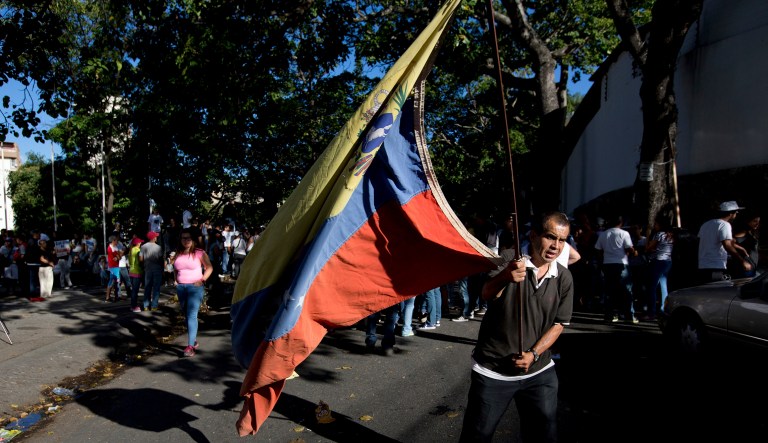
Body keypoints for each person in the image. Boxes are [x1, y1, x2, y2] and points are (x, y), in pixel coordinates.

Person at [459, 212, 573, 443]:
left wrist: (534, 354)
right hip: (493, 371)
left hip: (539, 372)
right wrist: (505, 277)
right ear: (533, 236)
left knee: (543, 436)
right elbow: (486, 293)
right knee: (477, 436)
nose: (556, 246)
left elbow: (559, 323)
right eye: (550, 237)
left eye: (562, 240)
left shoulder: (563, 277)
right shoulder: (509, 258)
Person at [172, 228, 213, 357]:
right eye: (183, 238)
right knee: (186, 314)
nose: (186, 240)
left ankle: (190, 346)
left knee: (191, 315)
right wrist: (175, 281)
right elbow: (175, 269)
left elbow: (209, 267)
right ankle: (193, 339)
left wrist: (202, 280)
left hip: (195, 288)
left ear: (193, 239)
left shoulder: (199, 253)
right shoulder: (178, 253)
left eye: (188, 238)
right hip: (181, 288)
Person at [594, 215, 636, 323]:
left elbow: (598, 249)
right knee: (626, 290)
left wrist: (601, 261)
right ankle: (629, 315)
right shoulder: (624, 233)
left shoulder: (604, 234)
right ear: (621, 223)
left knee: (609, 291)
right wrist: (634, 252)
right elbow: (629, 248)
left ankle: (610, 315)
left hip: (608, 264)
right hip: (622, 264)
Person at [697, 200, 752, 283]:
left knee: (707, 293)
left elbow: (703, 242)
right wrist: (743, 261)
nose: (736, 215)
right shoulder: (724, 225)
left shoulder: (706, 224)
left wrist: (741, 249)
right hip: (717, 266)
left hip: (702, 266)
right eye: (736, 213)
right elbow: (727, 245)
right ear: (731, 213)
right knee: (719, 292)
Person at [642, 217, 675, 321]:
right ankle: (663, 310)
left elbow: (648, 248)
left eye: (656, 224)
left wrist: (647, 235)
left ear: (661, 225)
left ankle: (651, 313)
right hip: (668, 261)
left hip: (658, 262)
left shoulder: (659, 234)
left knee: (651, 287)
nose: (654, 226)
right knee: (663, 286)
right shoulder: (670, 235)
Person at [729, 211, 760, 278]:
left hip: (752, 266)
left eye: (758, 221)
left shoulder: (752, 233)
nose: (757, 223)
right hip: (745, 267)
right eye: (755, 221)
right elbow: (729, 243)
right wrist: (742, 249)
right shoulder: (741, 233)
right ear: (747, 221)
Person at [140, 231, 165, 311]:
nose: (156, 238)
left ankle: (146, 306)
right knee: (156, 288)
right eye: (156, 237)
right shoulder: (158, 247)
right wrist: (163, 269)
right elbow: (161, 260)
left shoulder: (143, 247)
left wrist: (144, 265)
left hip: (147, 269)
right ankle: (154, 306)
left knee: (147, 287)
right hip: (157, 269)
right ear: (154, 238)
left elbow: (140, 259)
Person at [105, 235, 124, 302]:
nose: (117, 242)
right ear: (113, 241)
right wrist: (119, 255)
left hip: (116, 266)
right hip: (113, 267)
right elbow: (119, 257)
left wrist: (119, 255)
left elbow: (120, 256)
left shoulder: (115, 247)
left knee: (116, 282)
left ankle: (115, 296)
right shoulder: (110, 248)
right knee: (113, 281)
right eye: (116, 240)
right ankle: (108, 297)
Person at [127, 237, 144, 312]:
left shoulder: (131, 250)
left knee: (134, 290)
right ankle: (134, 306)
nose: (141, 243)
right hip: (137, 272)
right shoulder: (138, 250)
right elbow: (139, 262)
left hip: (131, 271)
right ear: (137, 243)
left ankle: (132, 305)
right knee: (135, 291)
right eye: (140, 242)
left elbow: (130, 262)